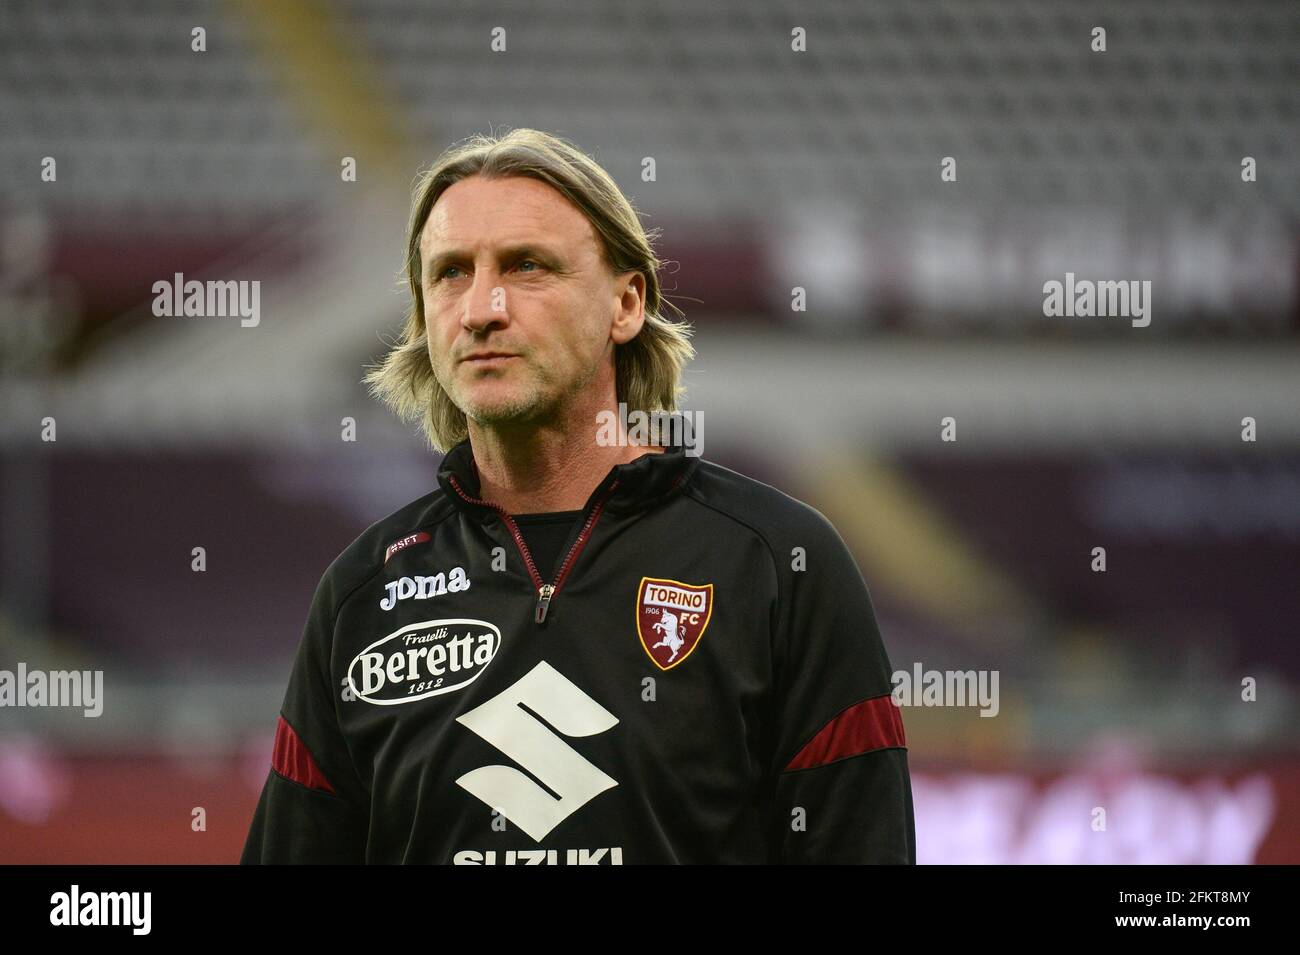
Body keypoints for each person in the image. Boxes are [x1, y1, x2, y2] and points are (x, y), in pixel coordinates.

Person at [240, 128, 914, 864]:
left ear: (626, 303)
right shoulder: (362, 593)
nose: (481, 308)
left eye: (527, 266)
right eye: (451, 273)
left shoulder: (779, 562)